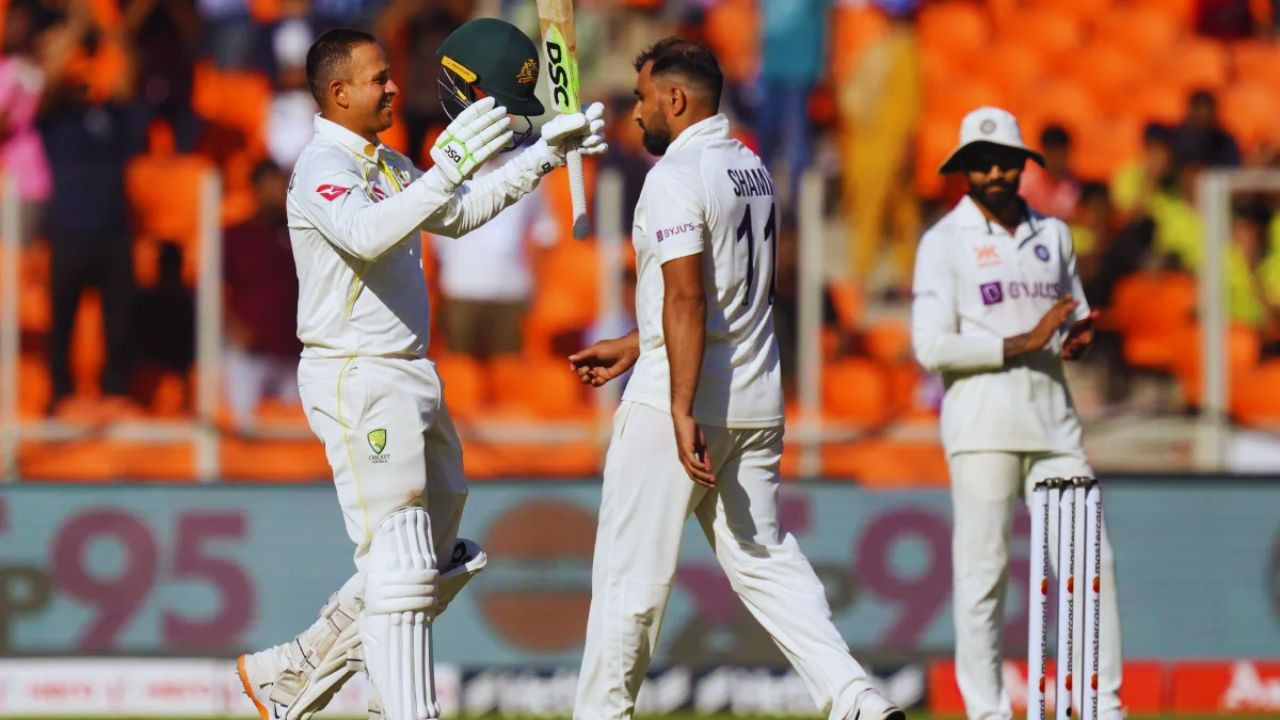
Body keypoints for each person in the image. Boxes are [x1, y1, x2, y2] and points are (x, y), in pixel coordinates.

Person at [234, 23, 606, 720]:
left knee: (431, 554)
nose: (393, 87)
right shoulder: (321, 167)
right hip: (357, 372)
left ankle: (295, 668)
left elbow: (457, 216)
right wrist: (448, 167)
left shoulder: (388, 162)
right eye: (378, 79)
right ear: (338, 92)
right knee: (401, 560)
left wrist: (543, 158)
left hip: (410, 370)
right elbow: (368, 234)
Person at [566, 38, 903, 720]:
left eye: (642, 98)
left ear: (676, 99)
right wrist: (638, 341)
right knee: (765, 558)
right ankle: (856, 697)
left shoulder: (673, 176)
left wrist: (679, 402)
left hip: (681, 401)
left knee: (630, 576)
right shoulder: (751, 167)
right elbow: (731, 292)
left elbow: (690, 297)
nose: (636, 113)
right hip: (755, 396)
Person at [911, 106, 1123, 720]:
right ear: (964, 169)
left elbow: (1069, 319)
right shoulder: (943, 243)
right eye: (982, 163)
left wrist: (1075, 340)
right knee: (984, 575)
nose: (996, 173)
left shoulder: (1054, 235)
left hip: (1054, 424)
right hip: (981, 428)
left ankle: (1100, 705)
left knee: (1090, 563)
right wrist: (1021, 341)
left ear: (1024, 165)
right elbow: (930, 347)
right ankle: (988, 712)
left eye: (1006, 161)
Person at [222, 161, 302, 430]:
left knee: (295, 433)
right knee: (242, 428)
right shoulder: (236, 236)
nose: (280, 192)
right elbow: (212, 289)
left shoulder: (299, 234)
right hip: (249, 354)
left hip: (294, 351)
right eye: (273, 185)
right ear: (257, 189)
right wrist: (232, 328)